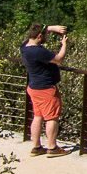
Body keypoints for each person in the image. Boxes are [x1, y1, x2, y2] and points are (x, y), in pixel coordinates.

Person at [19, 24, 72, 157]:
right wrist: (64, 44)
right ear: (39, 36)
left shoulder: (24, 47)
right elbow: (59, 59)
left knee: (38, 116)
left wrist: (52, 28)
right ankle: (52, 148)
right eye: (45, 36)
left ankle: (36, 147)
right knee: (52, 117)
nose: (46, 38)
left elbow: (38, 31)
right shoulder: (38, 52)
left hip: (33, 87)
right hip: (46, 88)